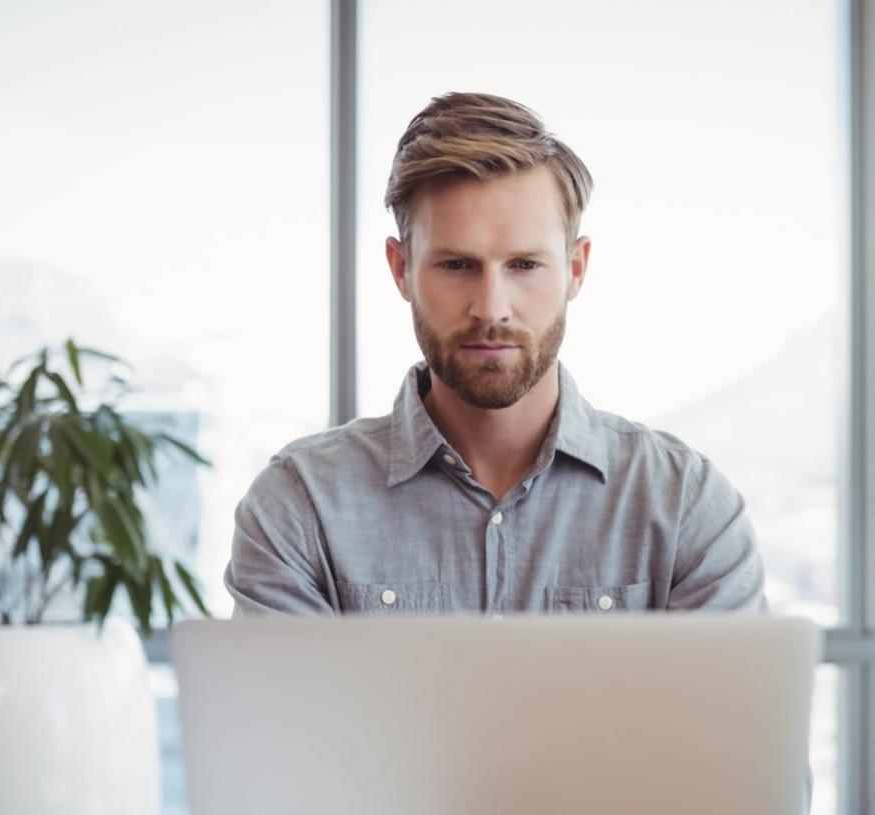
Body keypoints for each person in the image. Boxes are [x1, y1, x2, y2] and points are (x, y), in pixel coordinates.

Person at [225, 92, 768, 616]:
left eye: (525, 265)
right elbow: (280, 713)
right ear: (401, 270)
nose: (491, 308)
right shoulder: (301, 505)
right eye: (457, 265)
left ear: (575, 269)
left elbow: (733, 712)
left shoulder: (685, 505)